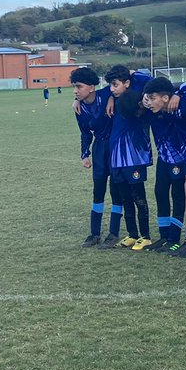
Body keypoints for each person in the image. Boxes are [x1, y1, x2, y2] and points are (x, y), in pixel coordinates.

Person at [140, 76, 186, 252]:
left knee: (178, 196)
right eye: (147, 98)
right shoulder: (152, 111)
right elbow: (139, 80)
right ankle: (164, 236)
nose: (148, 102)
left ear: (165, 98)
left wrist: (178, 94)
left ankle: (174, 238)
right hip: (163, 159)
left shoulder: (176, 108)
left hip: (180, 160)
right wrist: (144, 97)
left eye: (151, 98)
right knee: (160, 192)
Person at [103, 66, 153, 250]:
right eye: (110, 85)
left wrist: (132, 72)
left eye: (115, 85)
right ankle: (133, 234)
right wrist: (110, 96)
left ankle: (146, 236)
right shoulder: (113, 99)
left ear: (127, 83)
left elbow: (151, 80)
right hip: (117, 158)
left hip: (135, 157)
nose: (112, 89)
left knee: (139, 197)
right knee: (125, 198)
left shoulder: (138, 97)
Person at [72, 66, 119, 247]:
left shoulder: (107, 92)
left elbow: (121, 86)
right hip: (99, 148)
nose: (75, 91)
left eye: (79, 86)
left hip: (115, 146)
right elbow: (85, 133)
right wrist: (85, 154)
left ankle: (113, 233)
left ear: (91, 87)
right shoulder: (79, 108)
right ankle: (94, 234)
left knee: (116, 190)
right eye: (74, 87)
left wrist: (112, 98)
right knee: (98, 190)